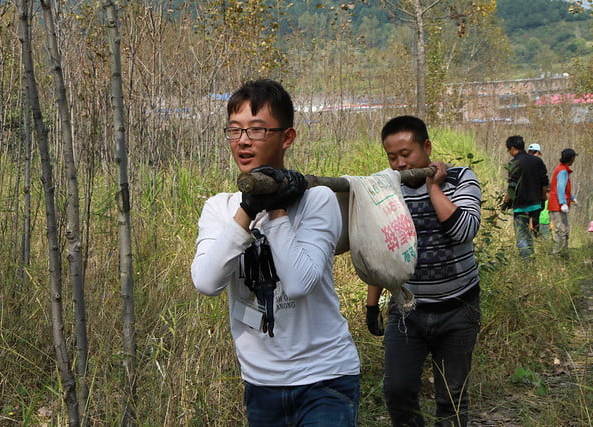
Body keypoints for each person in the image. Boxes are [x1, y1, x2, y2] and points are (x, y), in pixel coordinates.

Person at [191, 79, 360, 426]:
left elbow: (299, 283)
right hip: (262, 384)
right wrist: (247, 211)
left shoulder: (318, 200)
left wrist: (278, 210)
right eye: (234, 130)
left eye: (257, 130)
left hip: (325, 378)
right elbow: (207, 282)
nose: (243, 141)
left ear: (287, 137)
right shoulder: (219, 209)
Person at [366, 115, 482, 426]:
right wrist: (371, 304)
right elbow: (380, 251)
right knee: (397, 390)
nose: (400, 164)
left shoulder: (461, 179)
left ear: (427, 147)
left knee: (452, 397)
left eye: (407, 154)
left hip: (459, 309)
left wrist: (433, 186)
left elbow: (464, 230)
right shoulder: (386, 190)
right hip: (407, 311)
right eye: (392, 157)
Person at [501, 136, 549, 259]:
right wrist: (543, 198)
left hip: (521, 206)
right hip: (536, 204)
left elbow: (512, 186)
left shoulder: (514, 163)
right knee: (529, 233)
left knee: (522, 234)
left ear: (512, 148)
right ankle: (531, 257)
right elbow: (544, 182)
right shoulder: (537, 161)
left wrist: (506, 203)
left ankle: (526, 262)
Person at [547, 148, 578, 256]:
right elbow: (560, 188)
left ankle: (563, 255)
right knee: (561, 232)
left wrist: (572, 197)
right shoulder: (563, 170)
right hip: (557, 206)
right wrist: (563, 203)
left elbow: (563, 188)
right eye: (574, 157)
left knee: (564, 230)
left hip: (558, 204)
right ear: (571, 158)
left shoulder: (562, 169)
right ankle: (557, 256)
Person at [527, 142, 550, 237]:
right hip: (536, 198)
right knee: (535, 222)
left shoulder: (522, 163)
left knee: (524, 223)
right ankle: (535, 241)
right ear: (537, 152)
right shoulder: (539, 164)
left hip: (523, 198)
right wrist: (543, 196)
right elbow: (544, 181)